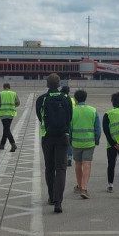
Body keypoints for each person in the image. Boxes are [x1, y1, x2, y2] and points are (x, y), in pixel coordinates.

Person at [37, 74, 73, 213]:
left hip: (47, 136)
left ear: (47, 84)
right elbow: (69, 117)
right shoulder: (66, 98)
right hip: (63, 136)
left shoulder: (42, 99)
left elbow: (40, 117)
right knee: (61, 168)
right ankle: (59, 201)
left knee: (49, 167)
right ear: (59, 84)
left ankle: (51, 196)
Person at [70, 89, 101, 199]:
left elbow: (69, 128)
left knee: (78, 164)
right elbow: (98, 128)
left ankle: (79, 185)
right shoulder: (92, 110)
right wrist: (96, 140)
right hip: (89, 142)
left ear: (76, 99)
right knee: (87, 164)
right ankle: (84, 188)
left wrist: (70, 141)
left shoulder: (72, 111)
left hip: (76, 142)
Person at [0, 82, 20, 152]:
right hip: (11, 113)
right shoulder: (14, 93)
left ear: (3, 87)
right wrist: (13, 106)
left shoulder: (1, 93)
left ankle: (13, 144)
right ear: (9, 87)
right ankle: (2, 144)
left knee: (6, 129)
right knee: (6, 128)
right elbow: (18, 102)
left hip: (3, 113)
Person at [61, 85, 74, 167]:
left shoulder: (60, 98)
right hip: (70, 122)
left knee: (62, 142)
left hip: (61, 122)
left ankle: (64, 158)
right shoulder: (71, 99)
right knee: (69, 142)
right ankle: (69, 157)